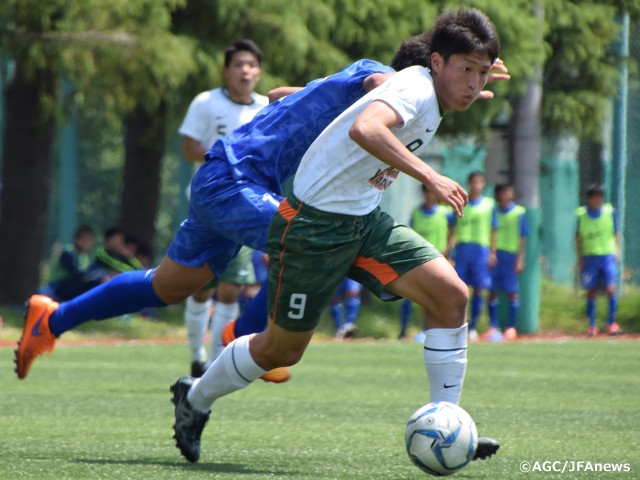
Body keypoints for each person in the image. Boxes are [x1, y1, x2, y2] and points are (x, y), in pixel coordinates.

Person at [15, 33, 509, 384]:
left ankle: (50, 320)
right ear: (425, 70)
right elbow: (387, 92)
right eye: (456, 69)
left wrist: (461, 87)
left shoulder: (348, 82)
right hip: (236, 181)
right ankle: (242, 335)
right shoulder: (385, 81)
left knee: (166, 285)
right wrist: (441, 91)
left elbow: (278, 94)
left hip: (224, 178)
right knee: (311, 237)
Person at [169, 8, 502, 465]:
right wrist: (432, 176)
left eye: (481, 72)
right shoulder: (415, 87)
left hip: (364, 222)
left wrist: (473, 84)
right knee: (280, 349)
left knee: (450, 295)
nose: (473, 82)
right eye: (466, 69)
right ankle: (195, 397)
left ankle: (448, 423)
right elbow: (365, 128)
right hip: (313, 227)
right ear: (437, 63)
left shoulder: (436, 94)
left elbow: (299, 97)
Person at [178, 39, 269, 378]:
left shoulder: (265, 107)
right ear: (226, 70)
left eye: (251, 65)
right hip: (208, 204)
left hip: (247, 205)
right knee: (201, 286)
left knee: (231, 287)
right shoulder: (206, 102)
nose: (245, 71)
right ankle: (196, 353)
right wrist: (223, 161)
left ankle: (217, 364)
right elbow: (187, 146)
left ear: (258, 72)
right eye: (239, 65)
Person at [399, 185, 454, 341]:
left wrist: (448, 250)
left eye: (432, 192)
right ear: (423, 193)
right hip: (418, 261)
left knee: (434, 298)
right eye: (427, 192)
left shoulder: (446, 213)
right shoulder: (416, 213)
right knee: (408, 296)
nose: (430, 195)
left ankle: (429, 330)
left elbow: (452, 233)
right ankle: (403, 331)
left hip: (438, 261)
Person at [448, 171, 497, 341]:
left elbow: (493, 230)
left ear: (483, 184)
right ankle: (458, 326)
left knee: (479, 288)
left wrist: (492, 252)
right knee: (459, 289)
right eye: (473, 182)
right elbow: (452, 229)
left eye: (479, 182)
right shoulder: (460, 203)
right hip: (462, 249)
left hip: (480, 250)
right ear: (469, 184)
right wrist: (449, 249)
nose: (476, 185)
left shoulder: (489, 205)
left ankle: (473, 327)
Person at [575, 184, 622, 337]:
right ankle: (592, 325)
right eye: (595, 197)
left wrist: (617, 249)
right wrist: (580, 257)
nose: (598, 200)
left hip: (607, 256)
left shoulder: (609, 212)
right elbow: (578, 239)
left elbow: (616, 232)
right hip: (589, 257)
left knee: (610, 289)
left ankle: (611, 323)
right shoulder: (581, 215)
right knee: (591, 291)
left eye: (600, 197)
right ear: (589, 199)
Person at [486, 184, 528, 341]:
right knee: (492, 291)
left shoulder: (519, 212)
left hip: (511, 256)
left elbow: (523, 237)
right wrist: (491, 252)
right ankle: (493, 326)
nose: (506, 195)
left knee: (512, 291)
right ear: (498, 194)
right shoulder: (492, 211)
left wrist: (520, 258)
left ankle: (511, 327)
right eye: (503, 192)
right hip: (495, 255)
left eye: (508, 191)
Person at [41, 225, 100, 302]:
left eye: (91, 240)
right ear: (78, 240)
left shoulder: (85, 256)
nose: (91, 243)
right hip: (58, 288)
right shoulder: (68, 253)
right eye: (87, 240)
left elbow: (91, 271)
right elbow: (77, 273)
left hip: (71, 286)